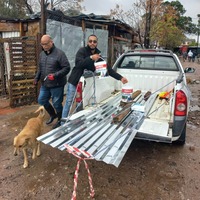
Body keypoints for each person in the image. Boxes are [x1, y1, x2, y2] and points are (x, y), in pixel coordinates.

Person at [53, 34, 128, 128]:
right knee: (69, 101)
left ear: (97, 43)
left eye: (94, 41)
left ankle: (76, 122)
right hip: (75, 80)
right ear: (87, 42)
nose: (92, 43)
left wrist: (121, 78)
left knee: (81, 104)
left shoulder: (98, 55)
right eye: (90, 41)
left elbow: (108, 69)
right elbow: (79, 64)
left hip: (87, 83)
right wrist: (91, 58)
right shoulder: (82, 51)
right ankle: (63, 123)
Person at [34, 35, 70, 129]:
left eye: (46, 44)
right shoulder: (42, 54)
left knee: (57, 103)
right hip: (45, 83)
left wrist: (55, 75)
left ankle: (60, 119)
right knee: (41, 100)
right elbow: (40, 68)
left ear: (51, 42)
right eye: (42, 44)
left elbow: (67, 68)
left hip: (57, 84)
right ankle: (53, 115)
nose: (44, 46)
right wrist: (36, 78)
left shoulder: (60, 54)